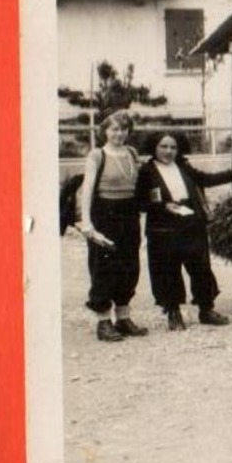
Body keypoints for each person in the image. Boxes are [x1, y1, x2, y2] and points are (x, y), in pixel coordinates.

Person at [136, 131, 232, 330]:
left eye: (173, 147)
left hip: (191, 222)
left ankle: (206, 310)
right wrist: (162, 206)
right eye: (163, 146)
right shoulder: (146, 171)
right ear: (154, 147)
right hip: (163, 228)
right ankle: (173, 313)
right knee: (168, 271)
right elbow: (140, 202)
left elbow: (205, 179)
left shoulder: (183, 166)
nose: (168, 151)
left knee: (201, 267)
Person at [76, 110, 147, 342]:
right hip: (105, 214)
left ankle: (123, 318)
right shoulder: (97, 155)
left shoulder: (132, 153)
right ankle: (104, 322)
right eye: (114, 129)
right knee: (103, 267)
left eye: (124, 129)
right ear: (105, 130)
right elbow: (87, 190)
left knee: (129, 265)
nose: (119, 133)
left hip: (129, 213)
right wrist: (87, 223)